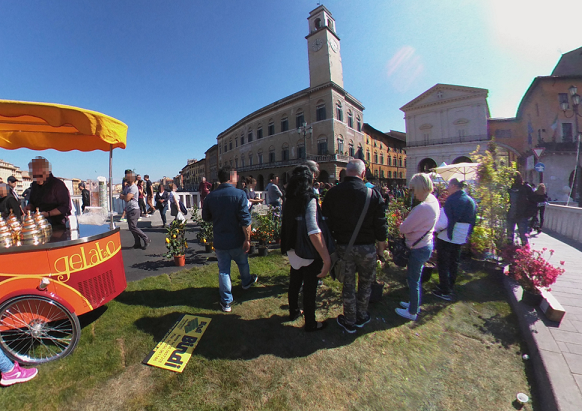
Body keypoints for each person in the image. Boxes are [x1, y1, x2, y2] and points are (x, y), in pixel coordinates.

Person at [322, 159, 387, 333]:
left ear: (345, 172)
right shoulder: (373, 194)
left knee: (348, 285)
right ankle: (362, 315)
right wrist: (381, 250)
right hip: (367, 248)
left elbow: (325, 223)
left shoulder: (333, 193)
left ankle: (349, 320)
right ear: (363, 173)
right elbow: (381, 226)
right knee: (366, 283)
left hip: (344, 247)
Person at [281, 165, 331, 332]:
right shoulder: (309, 198)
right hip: (307, 250)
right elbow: (313, 230)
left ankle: (294, 311)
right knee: (310, 288)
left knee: (295, 282)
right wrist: (326, 258)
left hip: (292, 248)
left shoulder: (289, 198)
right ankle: (310, 323)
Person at [202, 165, 257, 312]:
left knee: (224, 270)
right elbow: (246, 221)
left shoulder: (210, 196)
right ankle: (246, 282)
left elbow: (206, 217)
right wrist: (248, 239)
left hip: (220, 240)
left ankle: (226, 302)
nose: (238, 178)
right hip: (237, 238)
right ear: (231, 177)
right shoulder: (240, 194)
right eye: (236, 176)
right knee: (243, 263)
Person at [396, 173, 440, 321]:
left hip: (418, 247)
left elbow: (403, 229)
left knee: (413, 280)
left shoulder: (423, 207)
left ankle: (412, 311)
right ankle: (413, 304)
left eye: (414, 189)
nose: (413, 193)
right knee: (416, 278)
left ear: (420, 187)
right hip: (425, 244)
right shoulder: (433, 201)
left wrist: (405, 222)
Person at [432, 179, 477, 302]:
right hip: (460, 236)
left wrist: (434, 229)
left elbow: (443, 222)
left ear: (453, 185)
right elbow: (473, 221)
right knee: (454, 263)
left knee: (443, 263)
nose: (447, 189)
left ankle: (444, 290)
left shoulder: (452, 200)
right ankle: (449, 286)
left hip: (447, 236)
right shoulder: (470, 201)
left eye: (448, 186)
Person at [26, 157, 71, 227]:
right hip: (39, 224)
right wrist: (29, 207)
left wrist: (48, 214)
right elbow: (32, 203)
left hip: (57, 225)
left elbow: (65, 207)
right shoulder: (34, 185)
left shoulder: (57, 184)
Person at [119, 169, 150, 250]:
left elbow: (127, 198)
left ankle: (146, 238)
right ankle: (137, 242)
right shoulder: (127, 187)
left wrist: (124, 197)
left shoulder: (133, 188)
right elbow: (122, 195)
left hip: (134, 209)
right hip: (129, 209)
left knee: (133, 227)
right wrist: (124, 196)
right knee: (131, 227)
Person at [507, 171, 536, 245]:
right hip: (510, 215)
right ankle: (510, 251)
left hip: (522, 215)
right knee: (509, 236)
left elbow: (533, 201)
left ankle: (525, 252)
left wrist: (528, 213)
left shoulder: (525, 188)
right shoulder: (508, 188)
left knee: (523, 236)